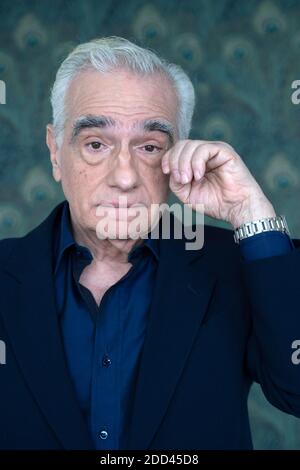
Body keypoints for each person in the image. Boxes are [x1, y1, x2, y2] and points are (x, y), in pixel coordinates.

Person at [0, 36, 299, 451]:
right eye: (96, 144)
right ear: (55, 152)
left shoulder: (235, 267)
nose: (124, 176)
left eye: (150, 147)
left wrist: (252, 213)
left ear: (181, 156)